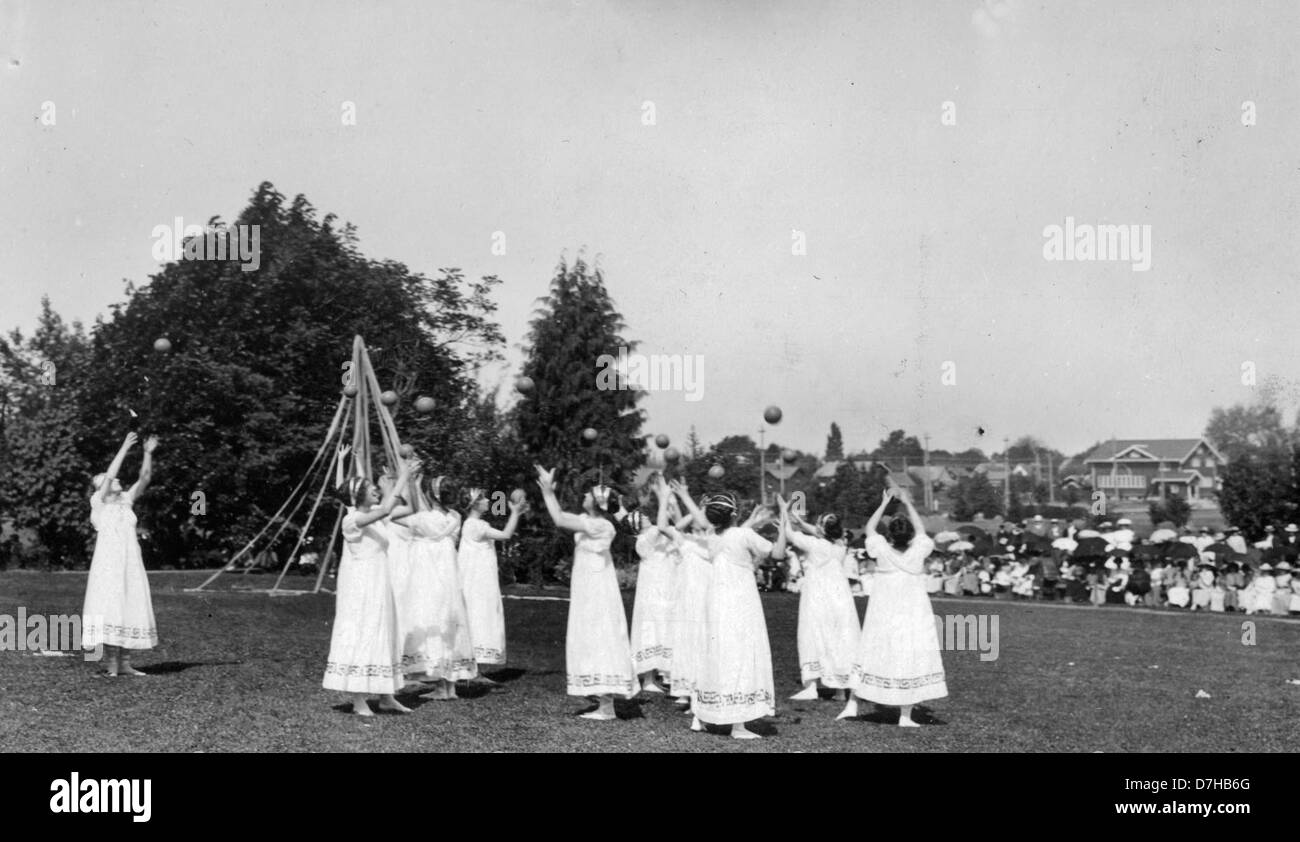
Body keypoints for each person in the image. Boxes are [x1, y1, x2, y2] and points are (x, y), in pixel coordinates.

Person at [535, 465, 636, 720]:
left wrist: (548, 491)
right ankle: (603, 698)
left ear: (598, 504)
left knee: (600, 635)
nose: (584, 497)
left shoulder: (599, 524)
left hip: (596, 588)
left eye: (589, 495)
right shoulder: (596, 522)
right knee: (593, 634)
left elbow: (559, 518)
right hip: (590, 586)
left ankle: (606, 705)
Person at [841, 487, 947, 727]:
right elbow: (921, 530)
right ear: (910, 536)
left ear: (889, 535)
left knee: (871, 651)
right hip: (912, 613)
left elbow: (870, 528)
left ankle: (853, 704)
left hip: (884, 613)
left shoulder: (880, 548)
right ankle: (905, 716)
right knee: (908, 654)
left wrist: (885, 503)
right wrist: (908, 503)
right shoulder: (920, 549)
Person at [322, 459, 416, 716]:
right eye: (370, 487)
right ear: (357, 495)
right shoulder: (352, 520)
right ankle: (359, 699)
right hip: (361, 585)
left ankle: (387, 696)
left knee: (383, 632)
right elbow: (386, 509)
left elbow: (408, 508)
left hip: (379, 582)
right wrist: (402, 477)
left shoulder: (374, 517)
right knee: (363, 632)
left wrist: (405, 480)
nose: (375, 489)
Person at [692, 492, 789, 739]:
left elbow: (733, 535)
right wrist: (784, 520)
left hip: (716, 600)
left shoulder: (711, 536)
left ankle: (702, 714)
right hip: (740, 601)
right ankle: (737, 725)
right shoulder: (743, 534)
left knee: (716, 652)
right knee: (740, 653)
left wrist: (750, 522)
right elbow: (777, 554)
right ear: (733, 514)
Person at [83, 431, 160, 676]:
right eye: (105, 479)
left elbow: (145, 478)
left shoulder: (126, 500)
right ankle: (112, 665)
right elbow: (112, 473)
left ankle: (125, 663)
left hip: (130, 562)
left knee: (129, 604)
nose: (113, 480)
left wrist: (147, 453)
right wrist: (125, 447)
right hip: (107, 565)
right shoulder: (98, 502)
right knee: (109, 606)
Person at [402, 474, 478, 699]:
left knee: (431, 621)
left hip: (429, 578)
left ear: (430, 495)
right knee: (449, 623)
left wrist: (412, 485)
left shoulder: (422, 519)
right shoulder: (455, 516)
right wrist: (419, 488)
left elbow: (396, 516)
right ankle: (448, 686)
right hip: (449, 579)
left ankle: (439, 686)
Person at [786, 510, 860, 702]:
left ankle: (811, 687)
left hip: (817, 593)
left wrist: (784, 512)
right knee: (839, 637)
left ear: (820, 529)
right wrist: (802, 522)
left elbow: (789, 533)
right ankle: (840, 689)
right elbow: (822, 532)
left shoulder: (813, 544)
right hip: (839, 594)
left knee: (812, 633)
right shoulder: (841, 545)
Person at [458, 486, 525, 679]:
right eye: (484, 498)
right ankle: (471, 669)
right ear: (475, 504)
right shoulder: (475, 525)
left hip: (478, 579)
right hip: (477, 582)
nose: (488, 500)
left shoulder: (473, 524)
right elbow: (506, 535)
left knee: (478, 615)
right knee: (478, 615)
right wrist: (515, 513)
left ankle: (472, 669)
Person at [664, 479, 713, 712]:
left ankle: (699, 690)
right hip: (685, 600)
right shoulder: (684, 540)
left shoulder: (712, 541)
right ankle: (684, 691)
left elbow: (706, 525)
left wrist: (697, 508)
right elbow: (666, 525)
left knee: (703, 641)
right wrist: (695, 508)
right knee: (684, 640)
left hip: (705, 600)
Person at [629, 475, 677, 693]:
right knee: (651, 630)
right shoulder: (645, 539)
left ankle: (663, 675)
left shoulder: (655, 536)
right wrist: (664, 497)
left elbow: (672, 523)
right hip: (652, 592)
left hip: (664, 588)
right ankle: (648, 680)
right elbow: (662, 525)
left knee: (664, 628)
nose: (648, 518)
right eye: (643, 518)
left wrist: (671, 500)